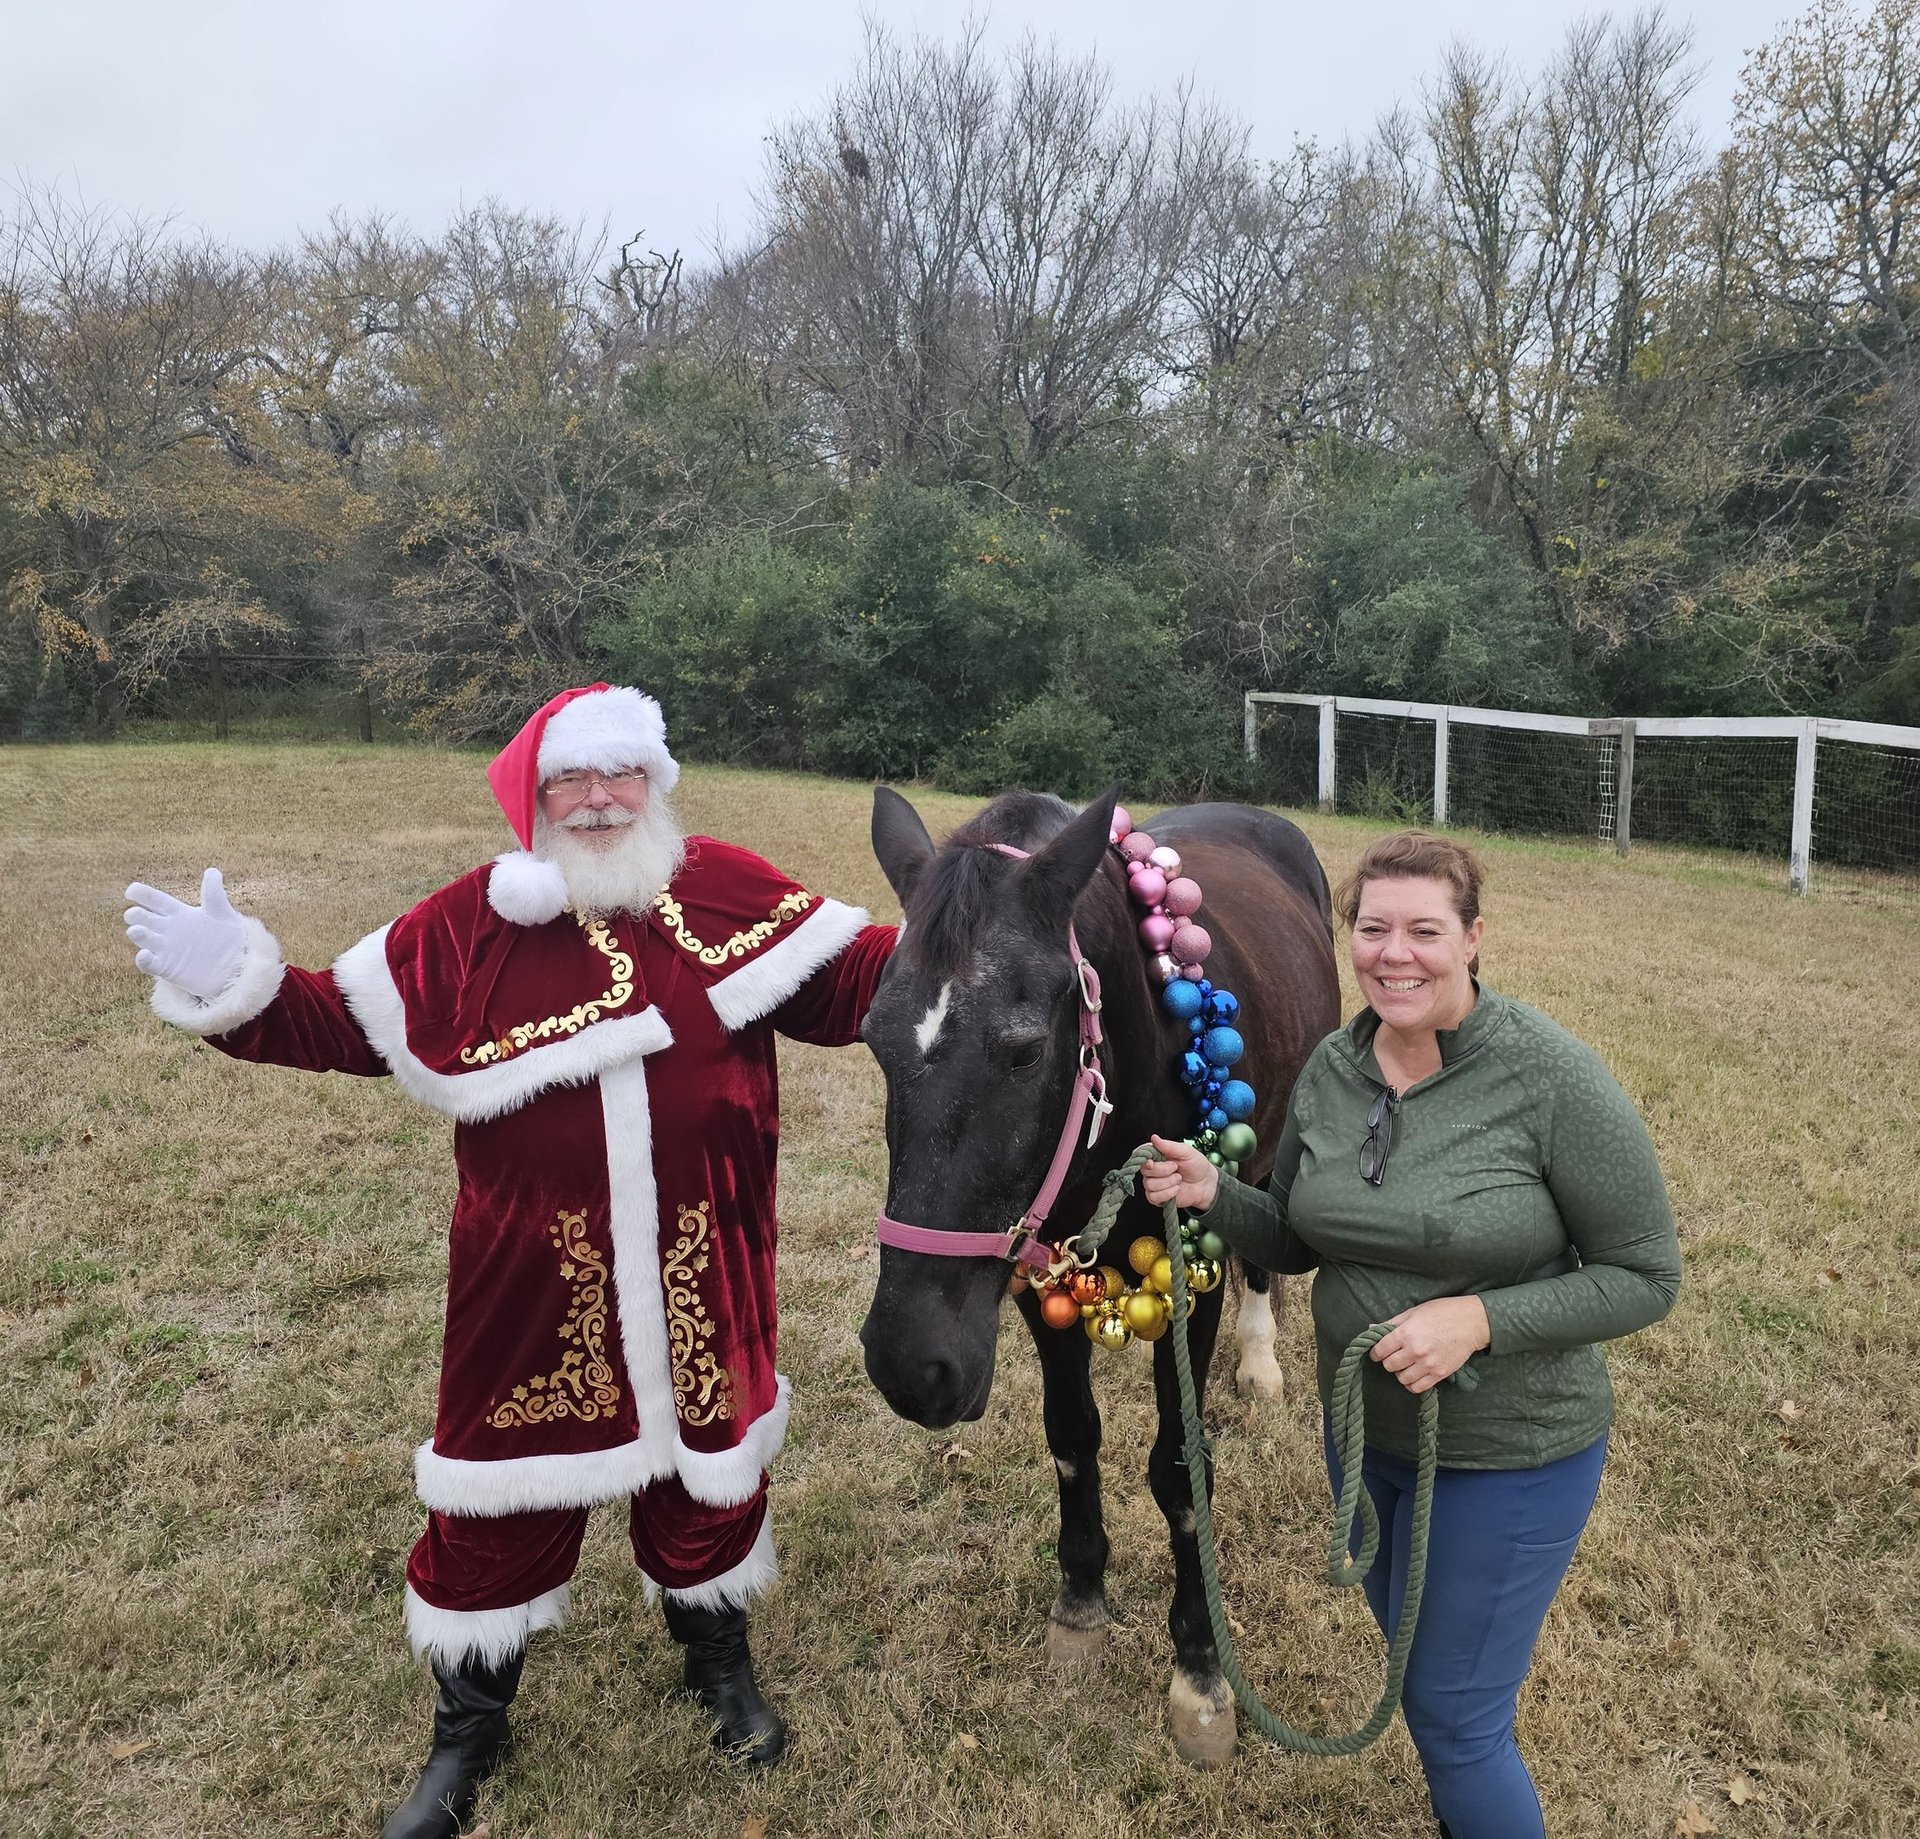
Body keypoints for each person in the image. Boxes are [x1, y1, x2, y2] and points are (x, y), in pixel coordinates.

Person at [123, 684, 896, 1839]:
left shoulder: (724, 888)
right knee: (497, 1500)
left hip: (707, 1268)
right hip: (533, 1287)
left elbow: (857, 982)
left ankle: (717, 1662)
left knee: (710, 1476)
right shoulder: (469, 926)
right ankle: (468, 1730)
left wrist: (995, 915)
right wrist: (230, 978)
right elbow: (338, 1021)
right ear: (531, 798)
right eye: (570, 782)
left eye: (621, 776)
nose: (598, 800)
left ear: (656, 785)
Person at [1143, 830, 1679, 1839]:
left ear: (1474, 938)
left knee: (1454, 1715)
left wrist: (1479, 1319)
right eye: (1374, 928)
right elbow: (1299, 1237)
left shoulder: (1549, 1078)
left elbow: (1647, 1275)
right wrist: (1218, 1192)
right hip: (1367, 1443)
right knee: (1428, 1671)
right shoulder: (1335, 1071)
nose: (1397, 953)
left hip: (1509, 1454)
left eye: (1426, 930)